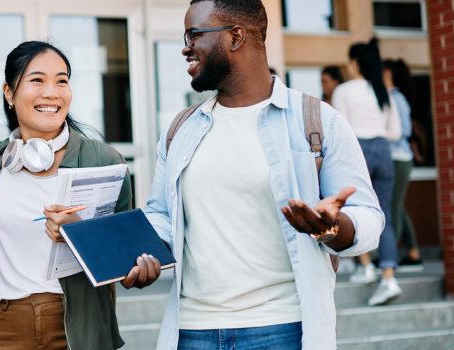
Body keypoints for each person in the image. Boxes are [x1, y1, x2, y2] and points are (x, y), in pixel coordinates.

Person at [144, 1, 384, 348]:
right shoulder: (180, 129)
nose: (185, 48)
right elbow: (161, 219)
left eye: (193, 35)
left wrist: (330, 227)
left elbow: (368, 218)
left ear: (236, 37)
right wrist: (133, 255)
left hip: (282, 329)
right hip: (193, 332)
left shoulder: (317, 121)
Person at [0, 41, 160, 350]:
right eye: (37, 80)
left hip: (79, 328)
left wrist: (87, 238)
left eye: (62, 80)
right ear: (9, 93)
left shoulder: (104, 160)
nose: (52, 92)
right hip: (5, 325)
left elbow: (125, 260)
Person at [332, 40, 403, 306]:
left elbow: (340, 130)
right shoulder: (382, 91)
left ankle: (366, 267)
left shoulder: (344, 90)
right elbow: (396, 132)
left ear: (355, 62)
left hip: (357, 151)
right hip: (384, 151)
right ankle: (388, 278)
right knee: (383, 212)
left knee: (353, 209)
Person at [383, 58, 422, 269]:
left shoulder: (396, 98)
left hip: (399, 158)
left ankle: (388, 257)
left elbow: (405, 130)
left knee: (393, 206)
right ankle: (414, 252)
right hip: (396, 158)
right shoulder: (391, 97)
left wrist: (382, 136)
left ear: (387, 74)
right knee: (399, 206)